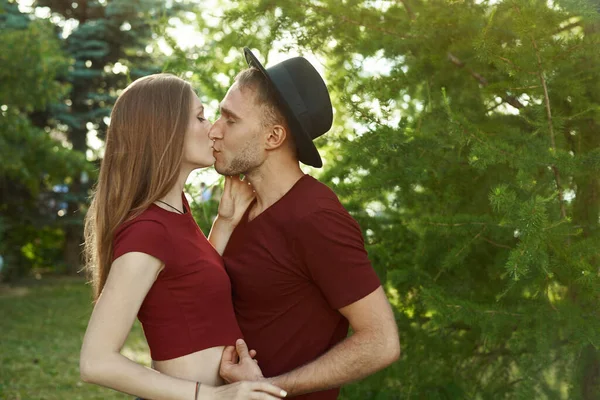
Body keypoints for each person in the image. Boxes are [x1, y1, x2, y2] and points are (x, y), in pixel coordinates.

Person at [79, 73, 287, 400]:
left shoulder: (175, 213)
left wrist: (225, 223)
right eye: (201, 117)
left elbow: (189, 290)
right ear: (166, 131)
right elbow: (96, 362)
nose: (214, 128)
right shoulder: (148, 231)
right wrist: (216, 396)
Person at [210, 49, 401, 399]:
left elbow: (381, 341)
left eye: (230, 120)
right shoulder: (240, 205)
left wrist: (266, 389)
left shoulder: (316, 218)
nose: (214, 130)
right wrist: (222, 224)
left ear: (273, 137)